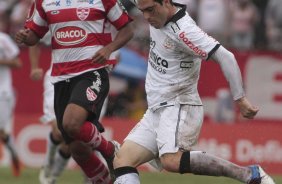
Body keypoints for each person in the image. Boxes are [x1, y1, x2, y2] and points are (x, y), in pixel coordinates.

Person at [112, 0, 276, 184]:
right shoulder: (150, 6)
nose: (147, 17)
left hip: (178, 104)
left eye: (151, 10)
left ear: (166, 2)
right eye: (143, 12)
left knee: (171, 160)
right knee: (122, 160)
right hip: (155, 109)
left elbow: (226, 57)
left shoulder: (184, 30)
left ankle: (248, 174)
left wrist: (240, 99)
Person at [15, 0, 133, 183]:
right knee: (78, 148)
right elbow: (34, 37)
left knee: (71, 123)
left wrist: (108, 49)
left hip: (91, 72)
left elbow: (127, 30)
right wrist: (25, 37)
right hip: (61, 79)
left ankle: (111, 150)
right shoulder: (43, 2)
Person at [0, 31, 22, 177]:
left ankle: (15, 157)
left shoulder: (3, 39)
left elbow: (17, 63)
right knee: (2, 133)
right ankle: (15, 155)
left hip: (3, 93)